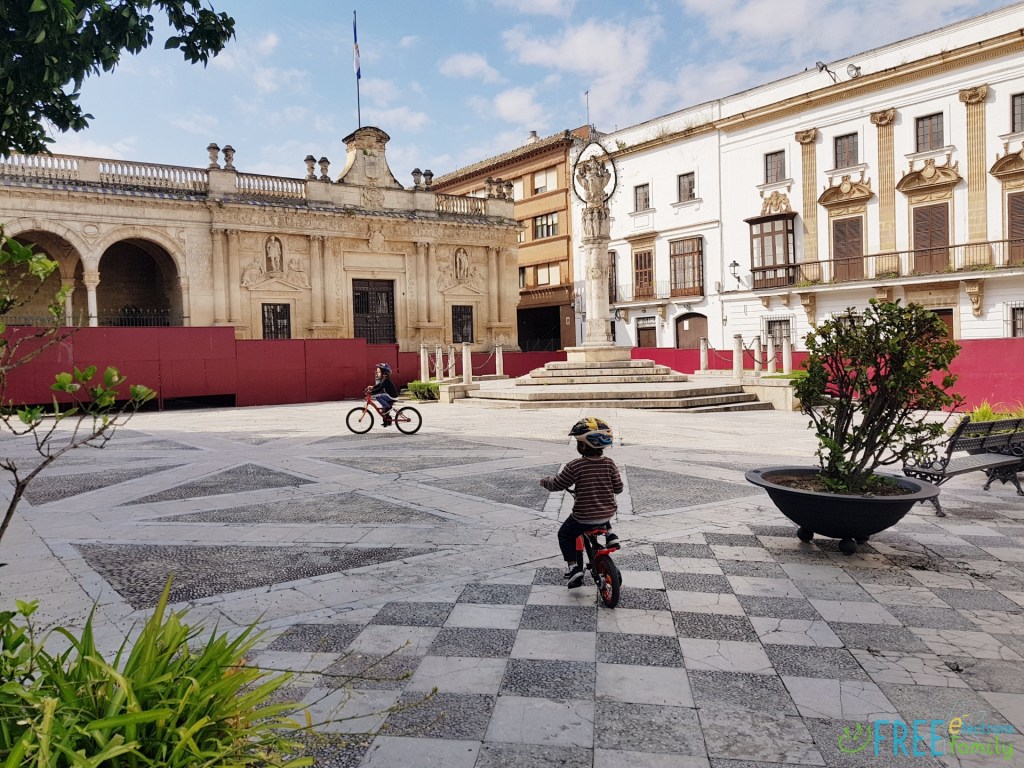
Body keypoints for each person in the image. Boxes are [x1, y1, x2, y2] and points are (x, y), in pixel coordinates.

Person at [540, 417, 623, 588]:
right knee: (602, 508)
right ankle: (610, 535)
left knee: (564, 534)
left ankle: (573, 567)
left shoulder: (575, 466)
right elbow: (618, 488)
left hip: (583, 517)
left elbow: (557, 484)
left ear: (583, 446)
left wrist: (545, 481)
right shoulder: (609, 464)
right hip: (606, 513)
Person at [367, 362, 398, 426]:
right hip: (391, 395)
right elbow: (379, 385)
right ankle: (387, 422)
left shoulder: (386, 380)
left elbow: (380, 389)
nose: (377, 373)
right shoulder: (384, 379)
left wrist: (372, 392)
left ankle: (388, 407)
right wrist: (372, 387)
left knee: (378, 396)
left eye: (379, 372)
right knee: (384, 409)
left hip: (392, 396)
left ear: (384, 373)